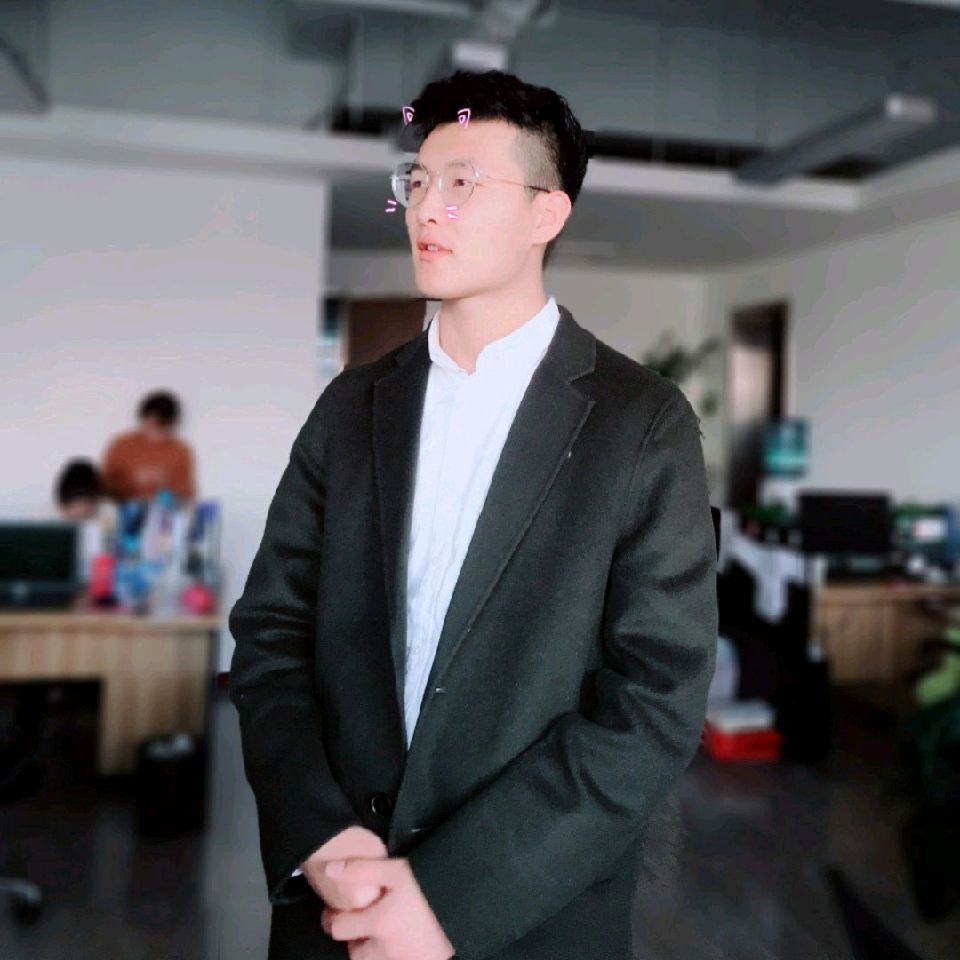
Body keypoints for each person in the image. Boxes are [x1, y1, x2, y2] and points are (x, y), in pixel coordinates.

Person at [229, 69, 718, 960]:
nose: (426, 206)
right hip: (336, 901)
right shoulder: (350, 407)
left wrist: (451, 900)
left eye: (463, 182)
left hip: (529, 912)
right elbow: (271, 635)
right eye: (417, 180)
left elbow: (654, 704)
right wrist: (321, 836)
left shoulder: (640, 422)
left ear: (546, 214)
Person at [100, 390, 196, 503]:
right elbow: (105, 484)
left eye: (160, 425)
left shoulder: (180, 450)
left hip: (164, 509)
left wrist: (161, 500)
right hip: (124, 507)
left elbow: (185, 492)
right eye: (150, 423)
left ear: (171, 424)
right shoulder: (121, 445)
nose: (153, 431)